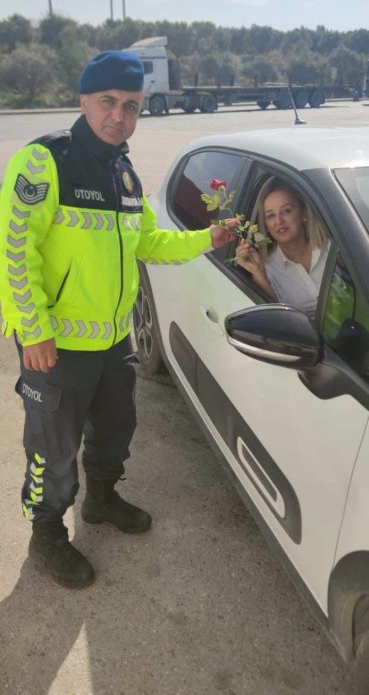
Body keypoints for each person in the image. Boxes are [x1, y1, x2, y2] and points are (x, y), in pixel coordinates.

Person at [0, 50, 237, 589]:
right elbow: (15, 249)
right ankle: (47, 536)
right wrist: (32, 329)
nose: (119, 116)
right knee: (52, 450)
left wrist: (208, 238)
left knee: (114, 430)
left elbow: (148, 242)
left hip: (113, 341)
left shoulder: (125, 175)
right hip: (55, 346)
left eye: (131, 106)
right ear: (84, 101)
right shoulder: (45, 161)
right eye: (108, 102)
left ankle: (101, 500)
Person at [235, 176, 328, 317]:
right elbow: (277, 318)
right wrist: (259, 273)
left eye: (287, 211)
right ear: (266, 224)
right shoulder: (267, 270)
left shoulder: (331, 250)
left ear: (303, 214)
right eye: (271, 215)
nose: (279, 221)